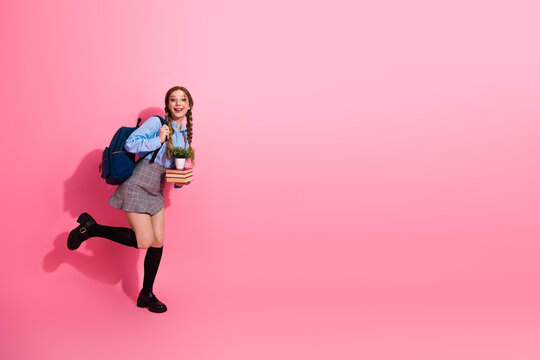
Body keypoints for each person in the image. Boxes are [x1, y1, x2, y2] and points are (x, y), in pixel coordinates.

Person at [67, 86, 195, 313]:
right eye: (173, 99)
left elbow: (174, 173)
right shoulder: (157, 123)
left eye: (182, 99)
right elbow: (130, 144)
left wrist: (182, 179)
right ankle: (92, 228)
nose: (178, 103)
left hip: (156, 188)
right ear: (167, 104)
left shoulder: (183, 134)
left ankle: (146, 293)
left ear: (189, 105)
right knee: (144, 241)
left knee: (158, 241)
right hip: (137, 183)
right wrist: (157, 139)